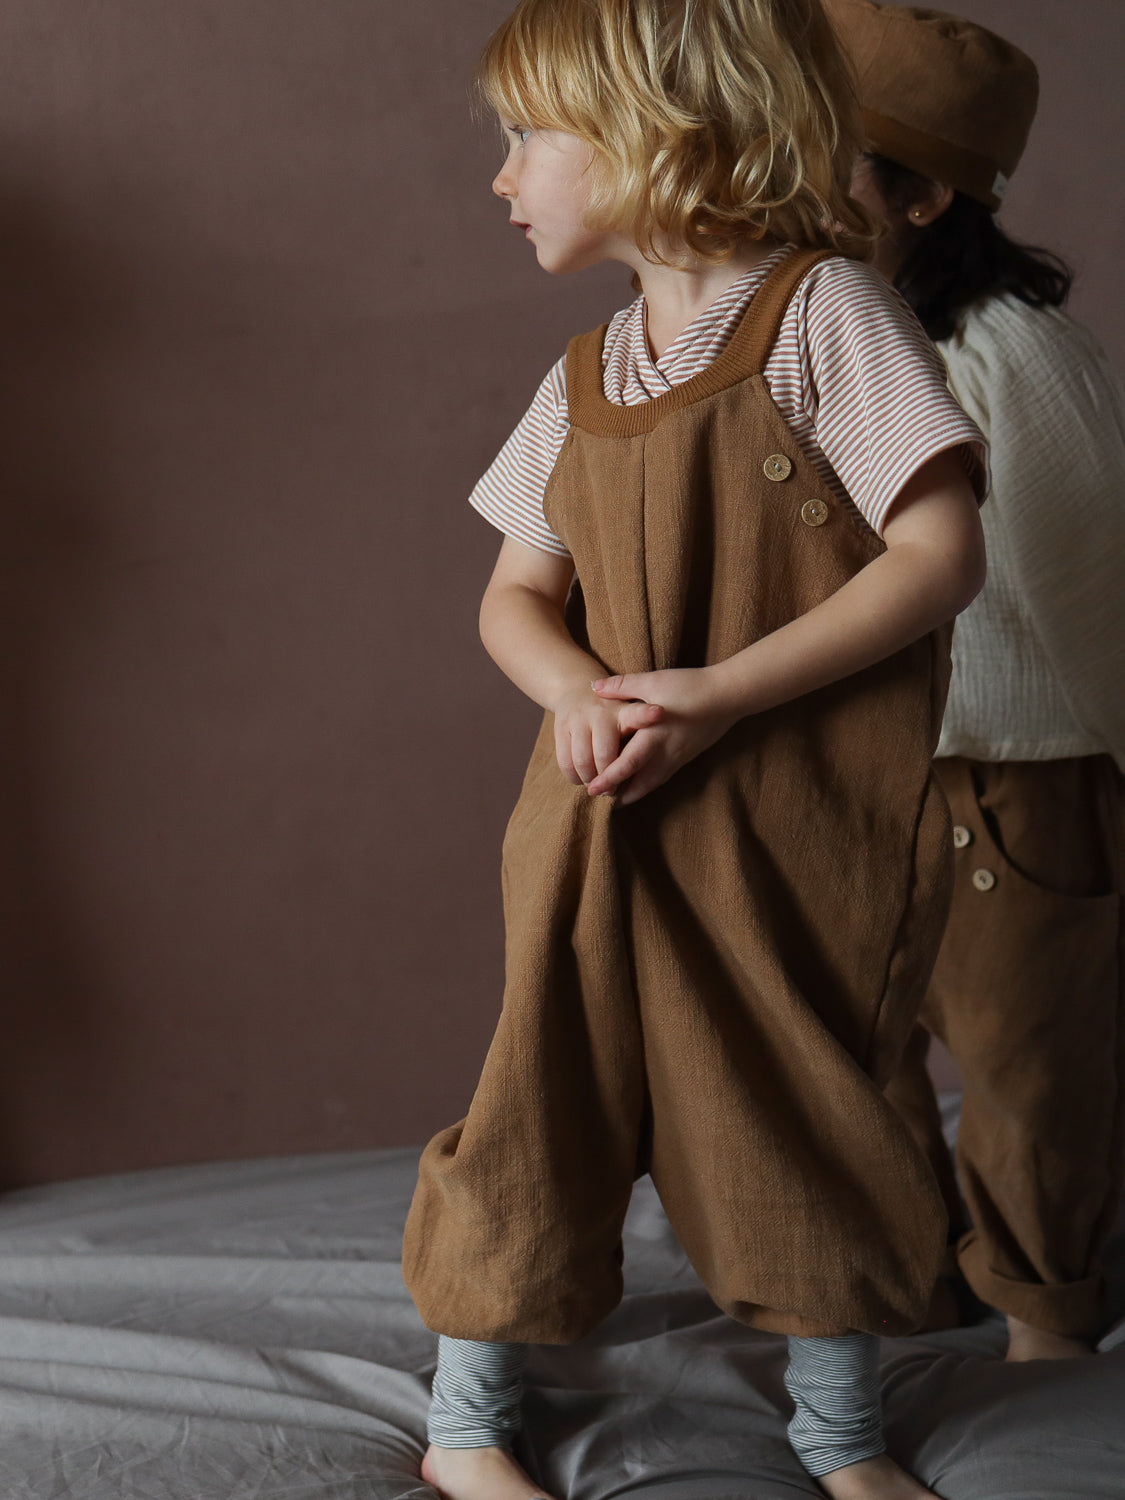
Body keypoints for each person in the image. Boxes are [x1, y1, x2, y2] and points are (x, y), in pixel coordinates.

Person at [403, 3, 988, 1497]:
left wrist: (720, 694)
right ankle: (466, 1427)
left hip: (793, 822)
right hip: (597, 816)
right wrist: (576, 692)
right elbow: (512, 596)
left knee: (817, 1101)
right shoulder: (585, 374)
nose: (502, 177)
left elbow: (933, 555)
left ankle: (841, 1443)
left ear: (656, 140)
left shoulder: (827, 317)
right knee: (542, 1092)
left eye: (527, 138)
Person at [827, 0, 1125, 1364]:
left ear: (922, 193)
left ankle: (1044, 1324)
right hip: (856, 773)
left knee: (1030, 1070)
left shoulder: (1012, 354)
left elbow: (1096, 592)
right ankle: (911, 1287)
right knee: (857, 1055)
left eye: (811, 163)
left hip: (1021, 775)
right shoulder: (810, 340)